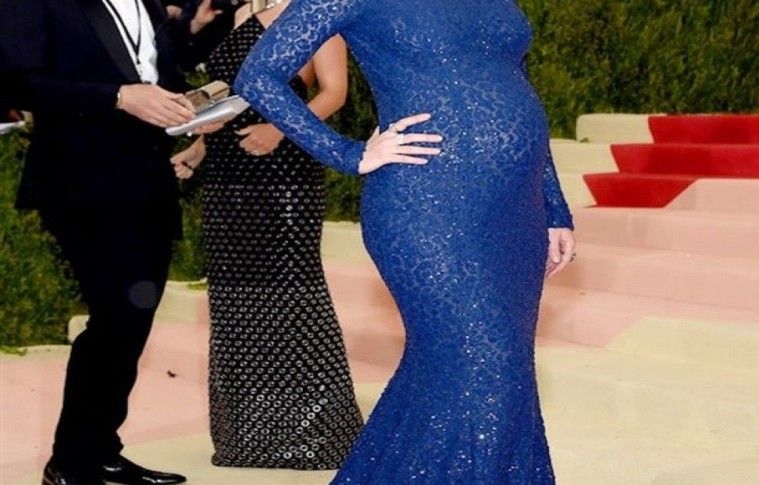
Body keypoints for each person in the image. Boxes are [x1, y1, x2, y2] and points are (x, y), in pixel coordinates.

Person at [234, 0, 577, 482]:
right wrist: (348, 153)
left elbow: (517, 86)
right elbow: (258, 76)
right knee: (488, 362)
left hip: (515, 212)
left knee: (488, 369)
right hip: (425, 205)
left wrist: (554, 206)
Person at [0, 0, 198, 483]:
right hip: (80, 182)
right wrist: (118, 97)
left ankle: (101, 449)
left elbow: (157, 74)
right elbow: (17, 84)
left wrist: (192, 109)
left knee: (134, 320)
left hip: (148, 180)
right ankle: (70, 462)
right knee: (116, 317)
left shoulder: (149, 2)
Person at [169, 0, 363, 469]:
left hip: (285, 172)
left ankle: (318, 434)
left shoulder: (313, 14)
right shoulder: (235, 17)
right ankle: (249, 436)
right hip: (226, 174)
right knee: (235, 299)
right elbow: (229, 97)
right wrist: (198, 147)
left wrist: (279, 130)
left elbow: (334, 93)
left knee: (293, 295)